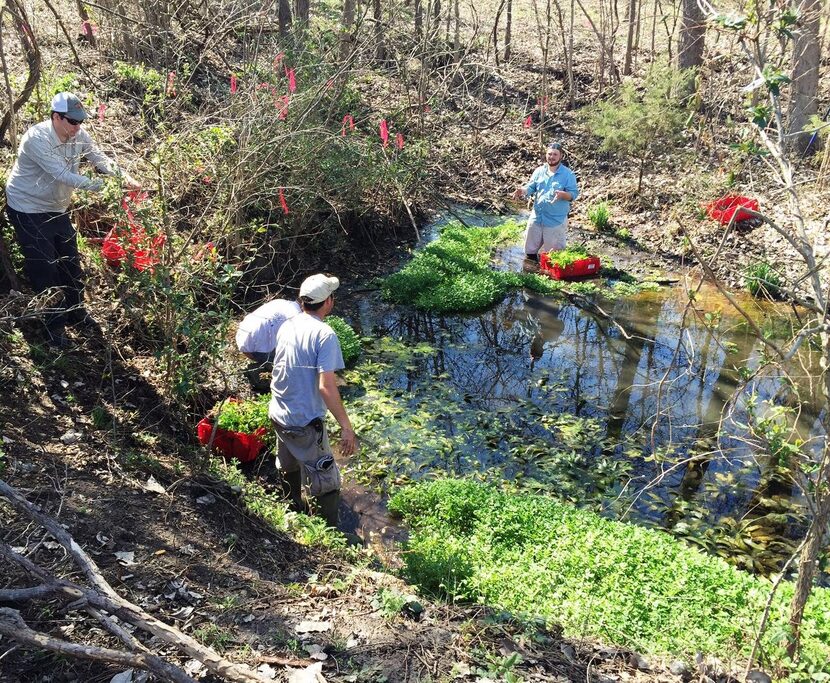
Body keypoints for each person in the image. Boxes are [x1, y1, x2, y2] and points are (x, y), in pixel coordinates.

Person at [4, 92, 140, 348]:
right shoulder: (37, 138)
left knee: (70, 262)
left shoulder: (79, 135)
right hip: (28, 207)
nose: (78, 127)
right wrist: (106, 188)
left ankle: (77, 312)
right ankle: (53, 326)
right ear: (56, 117)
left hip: (57, 208)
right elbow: (63, 175)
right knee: (44, 267)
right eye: (72, 122)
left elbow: (99, 158)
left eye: (80, 121)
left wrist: (124, 178)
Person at [268, 273, 357, 527]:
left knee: (287, 463)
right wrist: (346, 428)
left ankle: (293, 507)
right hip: (304, 421)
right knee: (326, 478)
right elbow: (326, 387)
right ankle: (330, 533)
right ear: (327, 302)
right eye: (332, 296)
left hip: (279, 413)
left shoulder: (289, 324)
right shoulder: (325, 335)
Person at [513, 141, 579, 261]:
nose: (551, 157)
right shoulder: (539, 171)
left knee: (553, 257)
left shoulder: (568, 174)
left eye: (555, 154)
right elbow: (531, 187)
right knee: (529, 252)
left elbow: (574, 194)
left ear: (561, 156)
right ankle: (530, 274)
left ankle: (550, 277)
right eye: (549, 154)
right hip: (537, 217)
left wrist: (564, 195)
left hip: (555, 220)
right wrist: (523, 190)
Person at [235, 297, 301, 391]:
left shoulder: (280, 302)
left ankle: (264, 365)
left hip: (242, 338)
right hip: (256, 350)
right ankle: (259, 372)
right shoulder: (297, 317)